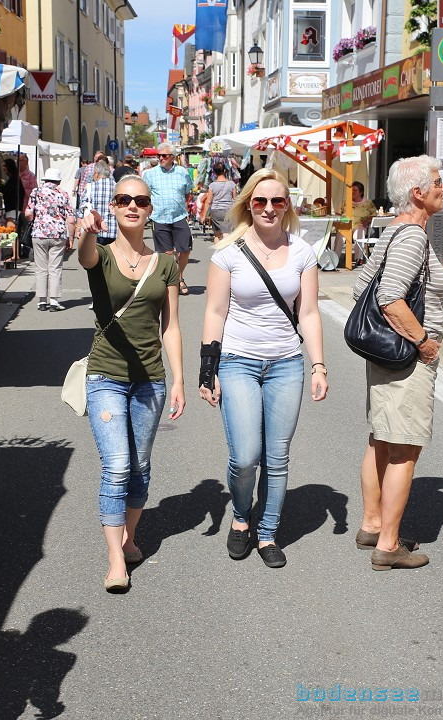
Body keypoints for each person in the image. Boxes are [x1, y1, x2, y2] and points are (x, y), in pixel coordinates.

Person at [199, 168, 328, 569]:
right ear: (248, 205)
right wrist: (208, 370)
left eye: (277, 201)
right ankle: (241, 518)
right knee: (245, 456)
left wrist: (319, 364)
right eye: (260, 201)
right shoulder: (228, 254)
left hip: (286, 364)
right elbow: (214, 311)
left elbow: (308, 312)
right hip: (238, 361)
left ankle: (267, 531)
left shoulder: (304, 252)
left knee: (277, 455)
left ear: (287, 206)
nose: (269, 208)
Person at [76, 174, 185, 593]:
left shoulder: (166, 263)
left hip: (150, 381)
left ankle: (130, 537)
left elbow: (171, 327)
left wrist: (176, 379)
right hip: (105, 375)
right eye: (123, 199)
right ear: (114, 207)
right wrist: (84, 232)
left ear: (151, 208)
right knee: (118, 464)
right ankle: (115, 558)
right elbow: (84, 255)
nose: (132, 206)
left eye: (140, 200)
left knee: (139, 466)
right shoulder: (100, 255)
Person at [352, 155, 443, 572]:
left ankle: (372, 525)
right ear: (418, 193)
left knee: (381, 438)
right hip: (407, 357)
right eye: (438, 182)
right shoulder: (412, 237)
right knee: (405, 449)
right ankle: (388, 545)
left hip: (385, 354)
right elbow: (390, 296)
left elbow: (361, 285)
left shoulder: (394, 232)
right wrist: (425, 342)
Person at [143, 142, 194, 295]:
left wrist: (181, 205)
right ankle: (173, 281)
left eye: (164, 155)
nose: (160, 158)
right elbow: (146, 195)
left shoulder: (182, 172)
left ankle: (179, 276)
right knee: (167, 254)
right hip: (159, 217)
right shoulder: (150, 174)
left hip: (179, 216)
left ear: (173, 157)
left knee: (185, 249)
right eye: (158, 156)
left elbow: (187, 192)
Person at [26, 168, 76, 311]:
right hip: (58, 234)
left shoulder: (36, 192)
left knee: (41, 268)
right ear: (59, 181)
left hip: (39, 233)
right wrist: (71, 237)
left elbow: (29, 213)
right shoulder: (63, 194)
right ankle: (54, 301)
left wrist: (37, 218)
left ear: (45, 180)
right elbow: (71, 220)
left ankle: (42, 301)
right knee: (55, 268)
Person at [199, 162, 238, 243]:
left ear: (214, 172)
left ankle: (218, 252)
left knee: (217, 235)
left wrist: (203, 215)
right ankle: (226, 249)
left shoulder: (212, 186)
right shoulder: (232, 184)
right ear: (224, 170)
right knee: (227, 232)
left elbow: (208, 202)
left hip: (216, 211)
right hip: (228, 210)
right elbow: (235, 200)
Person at [81, 160, 118, 245]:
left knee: (97, 257)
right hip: (114, 231)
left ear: (96, 174)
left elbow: (82, 209)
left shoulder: (90, 187)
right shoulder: (118, 186)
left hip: (96, 230)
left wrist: (78, 227)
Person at [0, 157, 25, 225]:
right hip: (13, 207)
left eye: (5, 166)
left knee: (10, 229)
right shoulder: (13, 178)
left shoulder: (14, 178)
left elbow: (6, 191)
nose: (3, 168)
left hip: (13, 208)